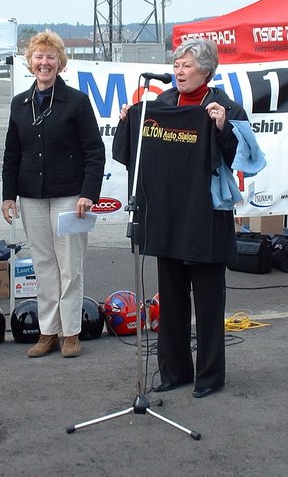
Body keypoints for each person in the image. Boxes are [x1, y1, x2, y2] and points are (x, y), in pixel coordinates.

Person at [113, 38, 264, 398]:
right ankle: (175, 371)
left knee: (209, 303)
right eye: (177, 64)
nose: (179, 71)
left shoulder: (226, 106)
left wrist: (223, 127)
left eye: (187, 65)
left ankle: (210, 376)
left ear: (207, 71)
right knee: (173, 300)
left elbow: (243, 158)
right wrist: (127, 121)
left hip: (206, 217)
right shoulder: (160, 104)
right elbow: (129, 152)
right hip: (166, 214)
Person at [1, 31, 105, 358]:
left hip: (69, 196)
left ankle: (71, 332)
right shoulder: (20, 104)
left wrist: (89, 193)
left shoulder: (76, 101)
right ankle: (48, 331)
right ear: (29, 62)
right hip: (31, 195)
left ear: (60, 62)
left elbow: (94, 152)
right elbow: (11, 154)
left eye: (50, 57)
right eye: (38, 57)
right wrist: (8, 196)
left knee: (69, 265)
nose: (44, 63)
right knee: (43, 264)